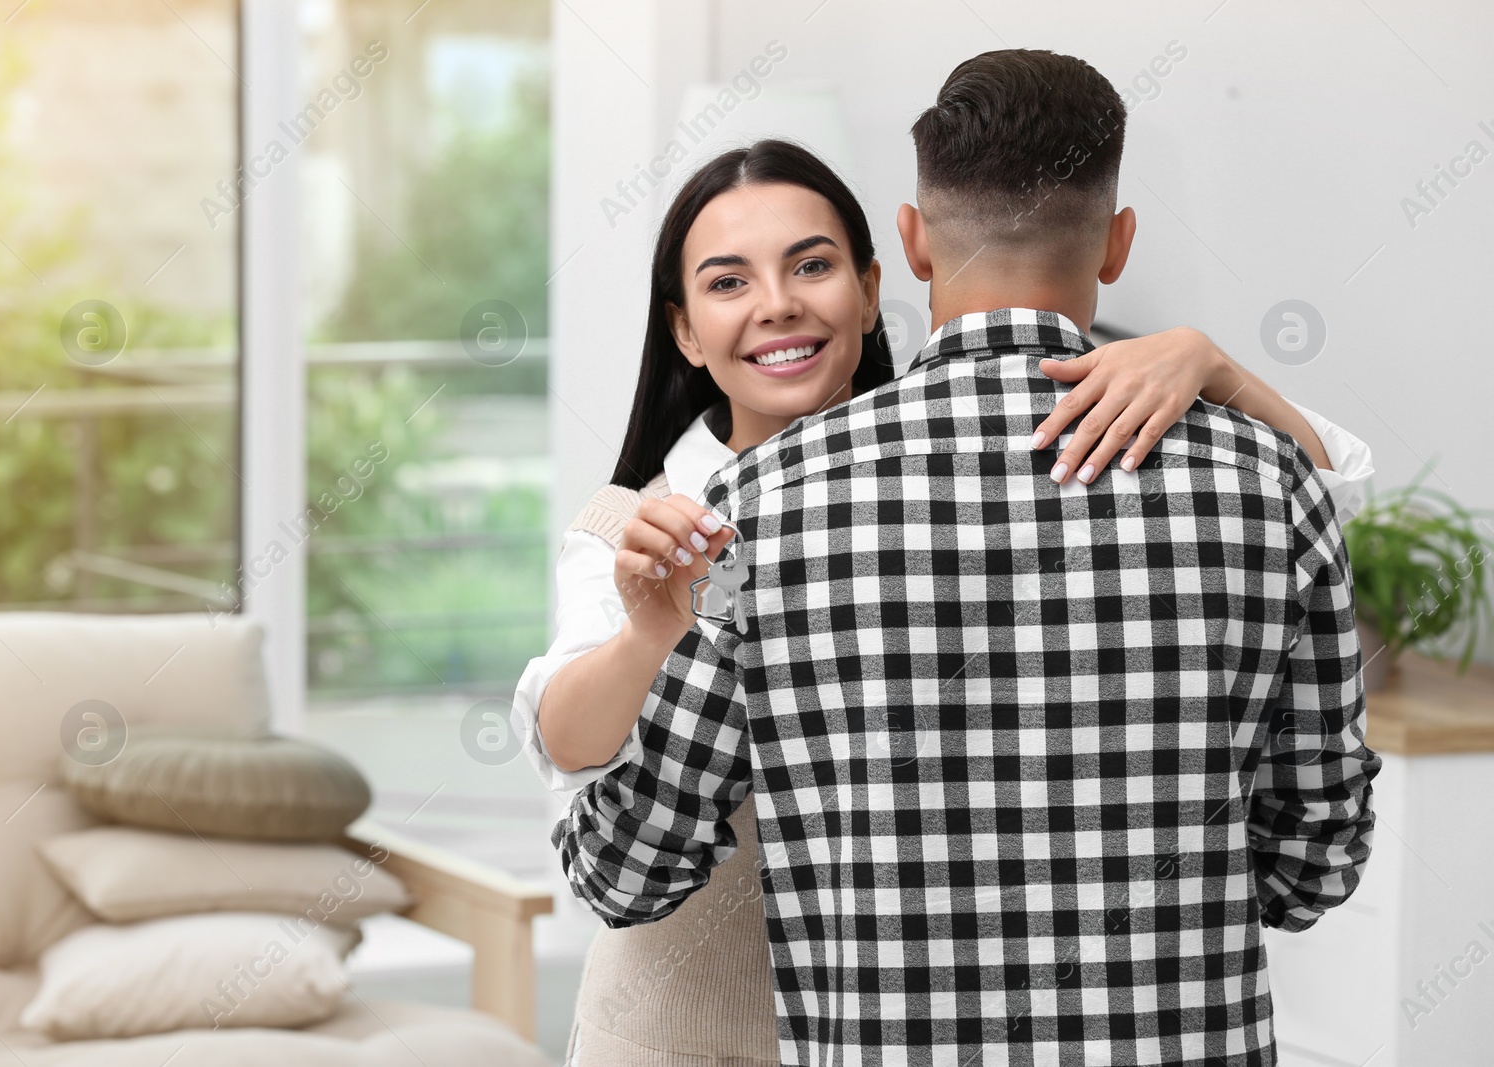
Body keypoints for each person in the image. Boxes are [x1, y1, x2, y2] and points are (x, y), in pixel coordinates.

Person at [549, 50, 1382, 1066]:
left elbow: (626, 868)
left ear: (905, 245)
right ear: (1116, 243)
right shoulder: (1270, 480)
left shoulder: (759, 509)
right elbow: (1313, 862)